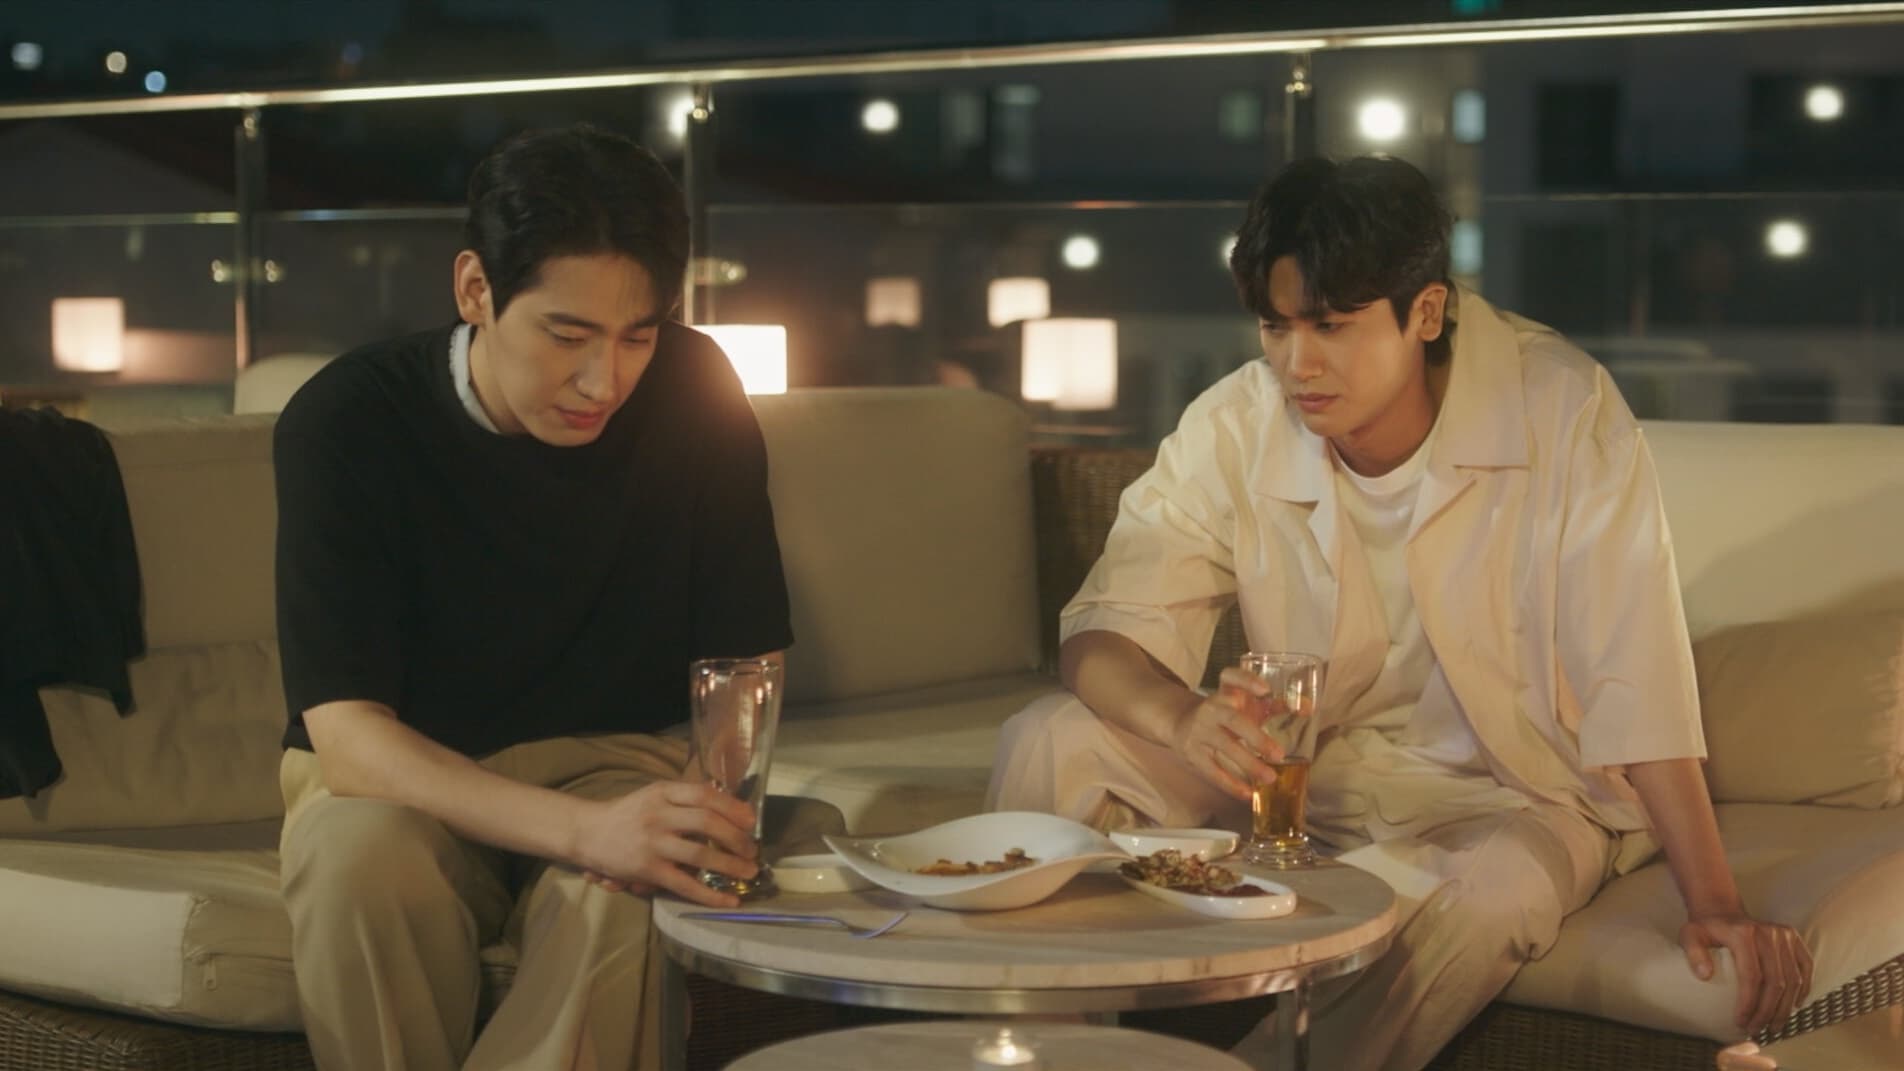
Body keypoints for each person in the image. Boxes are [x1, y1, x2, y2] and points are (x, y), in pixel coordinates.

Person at [987, 155, 1813, 1071]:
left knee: (1495, 891)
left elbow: (1636, 670)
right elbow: (1103, 630)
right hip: (1303, 778)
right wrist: (1183, 719)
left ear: (1424, 312)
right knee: (1051, 736)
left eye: (1331, 326)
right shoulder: (1237, 422)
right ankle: (1030, 1048)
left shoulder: (1559, 407)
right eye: (1276, 325)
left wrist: (1716, 902)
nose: (1297, 363)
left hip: (1512, 797)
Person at [273, 124, 795, 1071]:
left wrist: (710, 808)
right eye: (567, 335)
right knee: (357, 865)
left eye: (638, 336)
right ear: (476, 289)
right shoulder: (350, 418)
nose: (605, 381)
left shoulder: (697, 389)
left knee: (636, 896)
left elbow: (744, 660)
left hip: (615, 761)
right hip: (404, 777)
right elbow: (346, 737)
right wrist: (588, 834)